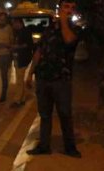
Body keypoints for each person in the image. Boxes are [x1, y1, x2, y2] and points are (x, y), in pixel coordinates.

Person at [25, 0, 81, 158]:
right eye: (66, 7)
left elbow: (69, 40)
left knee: (65, 113)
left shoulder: (75, 28)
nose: (69, 10)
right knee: (44, 114)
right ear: (60, 8)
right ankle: (44, 146)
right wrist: (30, 73)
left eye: (71, 7)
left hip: (61, 80)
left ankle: (70, 148)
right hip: (43, 78)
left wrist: (63, 21)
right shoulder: (49, 28)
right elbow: (39, 51)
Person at [10, 18, 33, 107]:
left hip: (23, 58)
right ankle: (22, 98)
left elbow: (28, 44)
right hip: (17, 58)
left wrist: (16, 47)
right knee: (20, 79)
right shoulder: (17, 32)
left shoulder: (25, 32)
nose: (13, 25)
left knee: (19, 80)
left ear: (19, 23)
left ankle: (17, 100)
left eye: (14, 23)